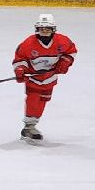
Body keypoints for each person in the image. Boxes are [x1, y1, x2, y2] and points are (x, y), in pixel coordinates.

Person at [13, 13, 77, 142]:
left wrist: (64, 62)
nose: (44, 31)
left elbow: (71, 51)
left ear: (53, 30)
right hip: (33, 78)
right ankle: (29, 127)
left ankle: (32, 124)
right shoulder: (28, 43)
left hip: (49, 78)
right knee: (33, 99)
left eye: (47, 29)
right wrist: (21, 70)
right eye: (42, 29)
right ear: (37, 30)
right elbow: (20, 58)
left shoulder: (63, 41)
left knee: (43, 101)